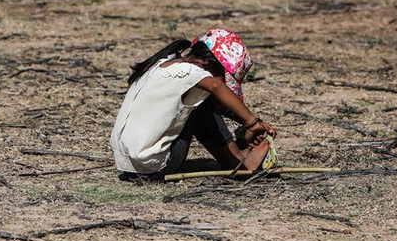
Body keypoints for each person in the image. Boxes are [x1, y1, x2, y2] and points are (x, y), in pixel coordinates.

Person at [109, 27, 276, 180]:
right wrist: (252, 123)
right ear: (208, 64)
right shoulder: (192, 73)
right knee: (201, 106)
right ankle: (239, 165)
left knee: (201, 101)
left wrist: (249, 125)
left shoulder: (165, 64)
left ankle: (237, 158)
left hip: (128, 165)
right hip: (153, 168)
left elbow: (217, 96)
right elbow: (216, 86)